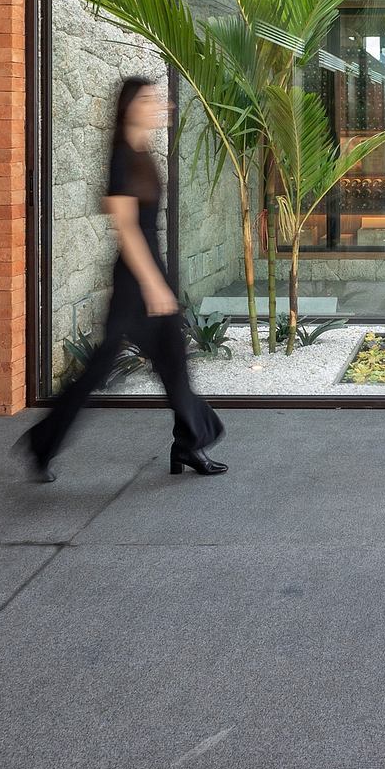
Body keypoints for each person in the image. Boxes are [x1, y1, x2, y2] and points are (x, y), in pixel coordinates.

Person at [19, 78, 226, 482]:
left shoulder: (143, 151)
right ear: (129, 107)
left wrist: (158, 278)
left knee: (172, 360)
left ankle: (189, 443)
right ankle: (42, 443)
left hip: (150, 269)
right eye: (149, 99)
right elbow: (127, 229)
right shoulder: (121, 157)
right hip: (135, 278)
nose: (160, 105)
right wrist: (153, 285)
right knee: (107, 368)